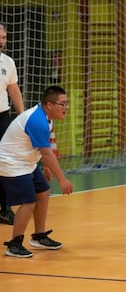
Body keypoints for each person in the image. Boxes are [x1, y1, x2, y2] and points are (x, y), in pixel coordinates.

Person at [0, 85, 73, 258]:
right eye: (62, 104)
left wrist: (46, 167)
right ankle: (14, 244)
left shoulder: (46, 118)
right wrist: (62, 180)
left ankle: (39, 237)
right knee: (28, 201)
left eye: (66, 103)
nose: (65, 108)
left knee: (43, 191)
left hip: (27, 162)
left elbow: (43, 147)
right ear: (49, 104)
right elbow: (47, 153)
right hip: (11, 163)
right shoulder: (37, 120)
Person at [0, 22, 25, 225]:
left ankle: (4, 207)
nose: (2, 42)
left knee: (4, 164)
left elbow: (14, 91)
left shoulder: (7, 62)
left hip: (2, 117)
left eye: (4, 38)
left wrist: (23, 117)